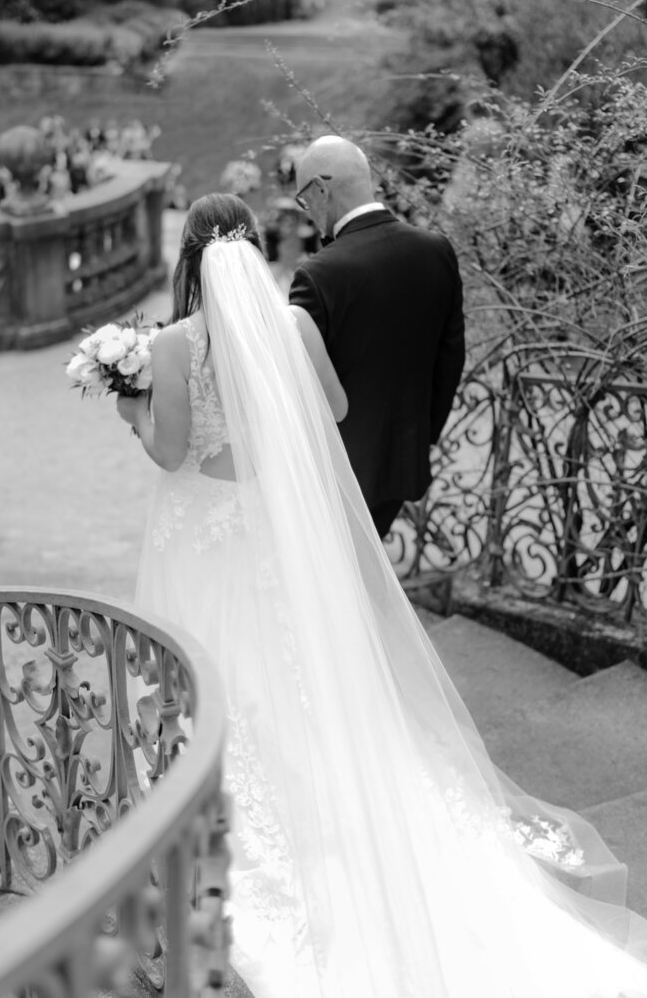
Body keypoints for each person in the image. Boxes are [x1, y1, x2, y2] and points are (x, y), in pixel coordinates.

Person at [115, 192, 647, 997]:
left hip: (205, 542)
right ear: (256, 249)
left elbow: (171, 451)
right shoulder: (291, 328)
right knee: (306, 679)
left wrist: (130, 410)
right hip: (273, 530)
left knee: (222, 683)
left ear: (188, 261)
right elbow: (331, 408)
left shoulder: (172, 345)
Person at [289, 135, 465, 538]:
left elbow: (302, 389)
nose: (309, 213)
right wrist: (420, 437)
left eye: (305, 200)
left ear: (320, 188)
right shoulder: (437, 250)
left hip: (335, 480)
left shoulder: (318, 275)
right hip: (404, 464)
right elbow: (450, 357)